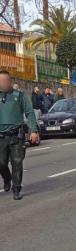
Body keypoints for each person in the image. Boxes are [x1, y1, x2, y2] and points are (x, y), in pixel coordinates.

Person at [0, 70, 39, 200]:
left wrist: (33, 130)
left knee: (17, 163)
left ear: (10, 81)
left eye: (6, 81)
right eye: (1, 81)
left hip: (16, 136)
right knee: (1, 163)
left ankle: (16, 189)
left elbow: (30, 113)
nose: (4, 83)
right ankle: (7, 178)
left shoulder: (19, 95)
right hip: (1, 137)